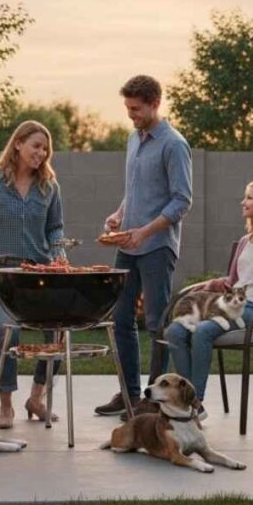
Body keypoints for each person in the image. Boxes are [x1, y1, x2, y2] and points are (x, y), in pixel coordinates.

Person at [94, 75, 193, 417]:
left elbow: (182, 201)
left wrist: (146, 232)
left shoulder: (174, 145)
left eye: (136, 109)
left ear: (154, 103)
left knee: (156, 323)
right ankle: (129, 394)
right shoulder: (133, 139)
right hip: (127, 245)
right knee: (120, 319)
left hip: (157, 247)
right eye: (128, 108)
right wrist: (119, 214)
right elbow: (135, 189)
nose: (130, 114)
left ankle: (155, 400)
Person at [164, 180, 253, 414]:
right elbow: (233, 281)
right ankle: (186, 397)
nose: (243, 202)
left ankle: (195, 402)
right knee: (175, 331)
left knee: (203, 331)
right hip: (231, 305)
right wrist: (208, 285)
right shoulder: (244, 241)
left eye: (249, 197)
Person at [0, 121, 65, 429]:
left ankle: (36, 398)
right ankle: (5, 405)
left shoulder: (49, 186)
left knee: (58, 331)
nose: (41, 153)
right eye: (36, 146)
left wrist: (59, 254)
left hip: (38, 273)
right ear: (18, 144)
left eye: (45, 149)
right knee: (7, 331)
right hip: (1, 274)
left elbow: (55, 228)